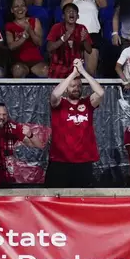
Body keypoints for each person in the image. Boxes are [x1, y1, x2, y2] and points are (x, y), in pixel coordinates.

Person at [46, 60, 104, 188]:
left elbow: (100, 93)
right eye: (73, 86)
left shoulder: (88, 103)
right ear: (66, 88)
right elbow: (55, 94)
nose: (76, 88)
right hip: (60, 161)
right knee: (55, 199)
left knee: (81, 201)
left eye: (79, 86)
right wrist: (73, 74)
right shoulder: (59, 104)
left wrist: (83, 71)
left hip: (83, 161)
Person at [61, 0, 107, 75]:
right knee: (73, 72)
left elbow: (104, 4)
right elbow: (64, 7)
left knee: (90, 72)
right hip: (73, 34)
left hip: (92, 34)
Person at [47, 3, 93, 79]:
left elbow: (89, 50)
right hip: (58, 68)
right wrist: (62, 40)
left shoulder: (82, 28)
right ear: (63, 16)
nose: (71, 13)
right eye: (68, 11)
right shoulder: (56, 27)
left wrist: (84, 40)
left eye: (74, 11)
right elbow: (49, 48)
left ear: (78, 16)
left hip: (75, 68)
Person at [6, 0, 48, 78]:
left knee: (46, 70)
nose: (20, 9)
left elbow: (39, 43)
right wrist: (24, 37)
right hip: (19, 61)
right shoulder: (9, 26)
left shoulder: (35, 21)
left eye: (22, 6)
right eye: (16, 6)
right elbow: (11, 46)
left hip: (36, 61)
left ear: (26, 8)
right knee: (18, 71)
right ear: (12, 10)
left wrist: (30, 30)